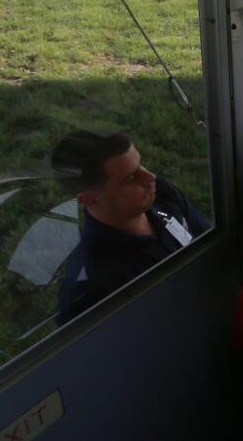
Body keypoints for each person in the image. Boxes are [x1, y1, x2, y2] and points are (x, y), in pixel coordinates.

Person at [52, 131, 209, 324]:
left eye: (140, 163)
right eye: (131, 178)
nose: (150, 177)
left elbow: (208, 238)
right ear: (89, 198)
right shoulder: (92, 285)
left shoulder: (161, 194)